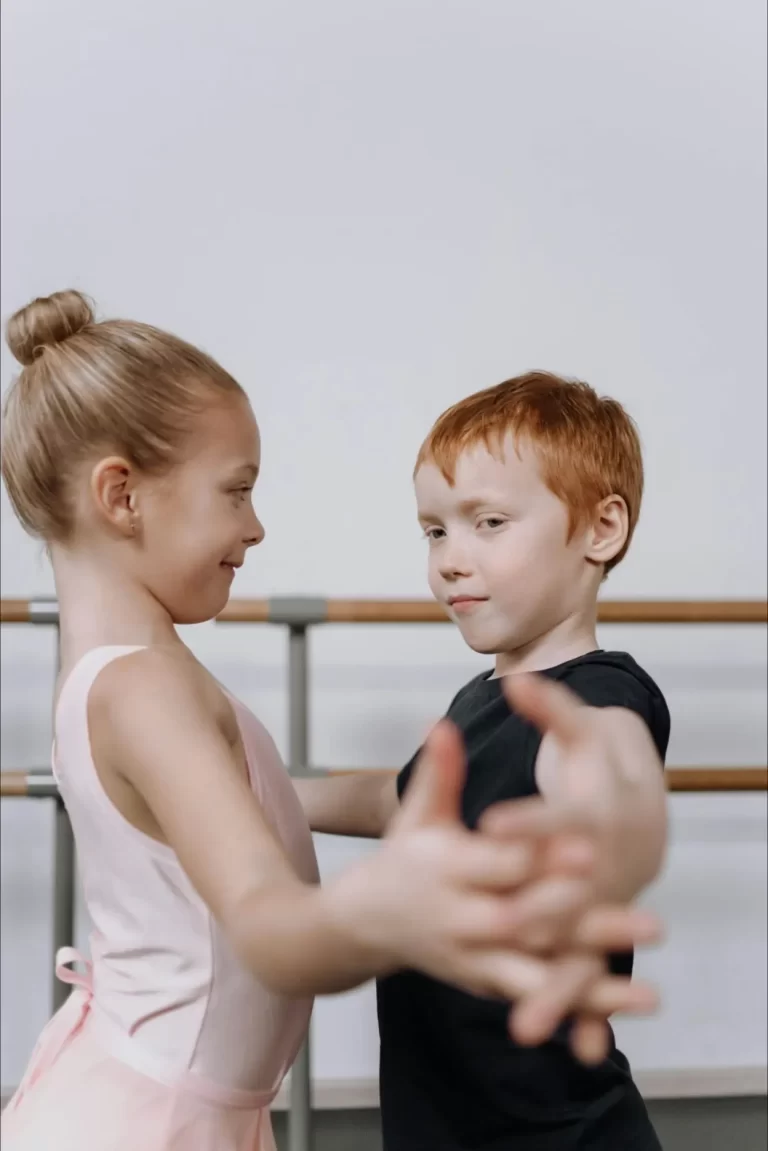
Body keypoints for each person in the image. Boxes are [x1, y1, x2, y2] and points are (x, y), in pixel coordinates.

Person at [0, 297, 657, 1151]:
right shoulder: (142, 690)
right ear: (121, 496)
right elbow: (268, 916)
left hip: (203, 1104)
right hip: (154, 1119)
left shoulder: (121, 675)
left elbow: (554, 763)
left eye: (487, 523)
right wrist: (394, 911)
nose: (256, 523)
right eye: (236, 490)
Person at [296, 372, 670, 1149]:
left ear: (601, 528)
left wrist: (610, 816)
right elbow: (403, 800)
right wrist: (264, 789)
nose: (450, 560)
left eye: (488, 522)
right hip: (447, 1122)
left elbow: (606, 765)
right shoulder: (481, 696)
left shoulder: (598, 694)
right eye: (434, 531)